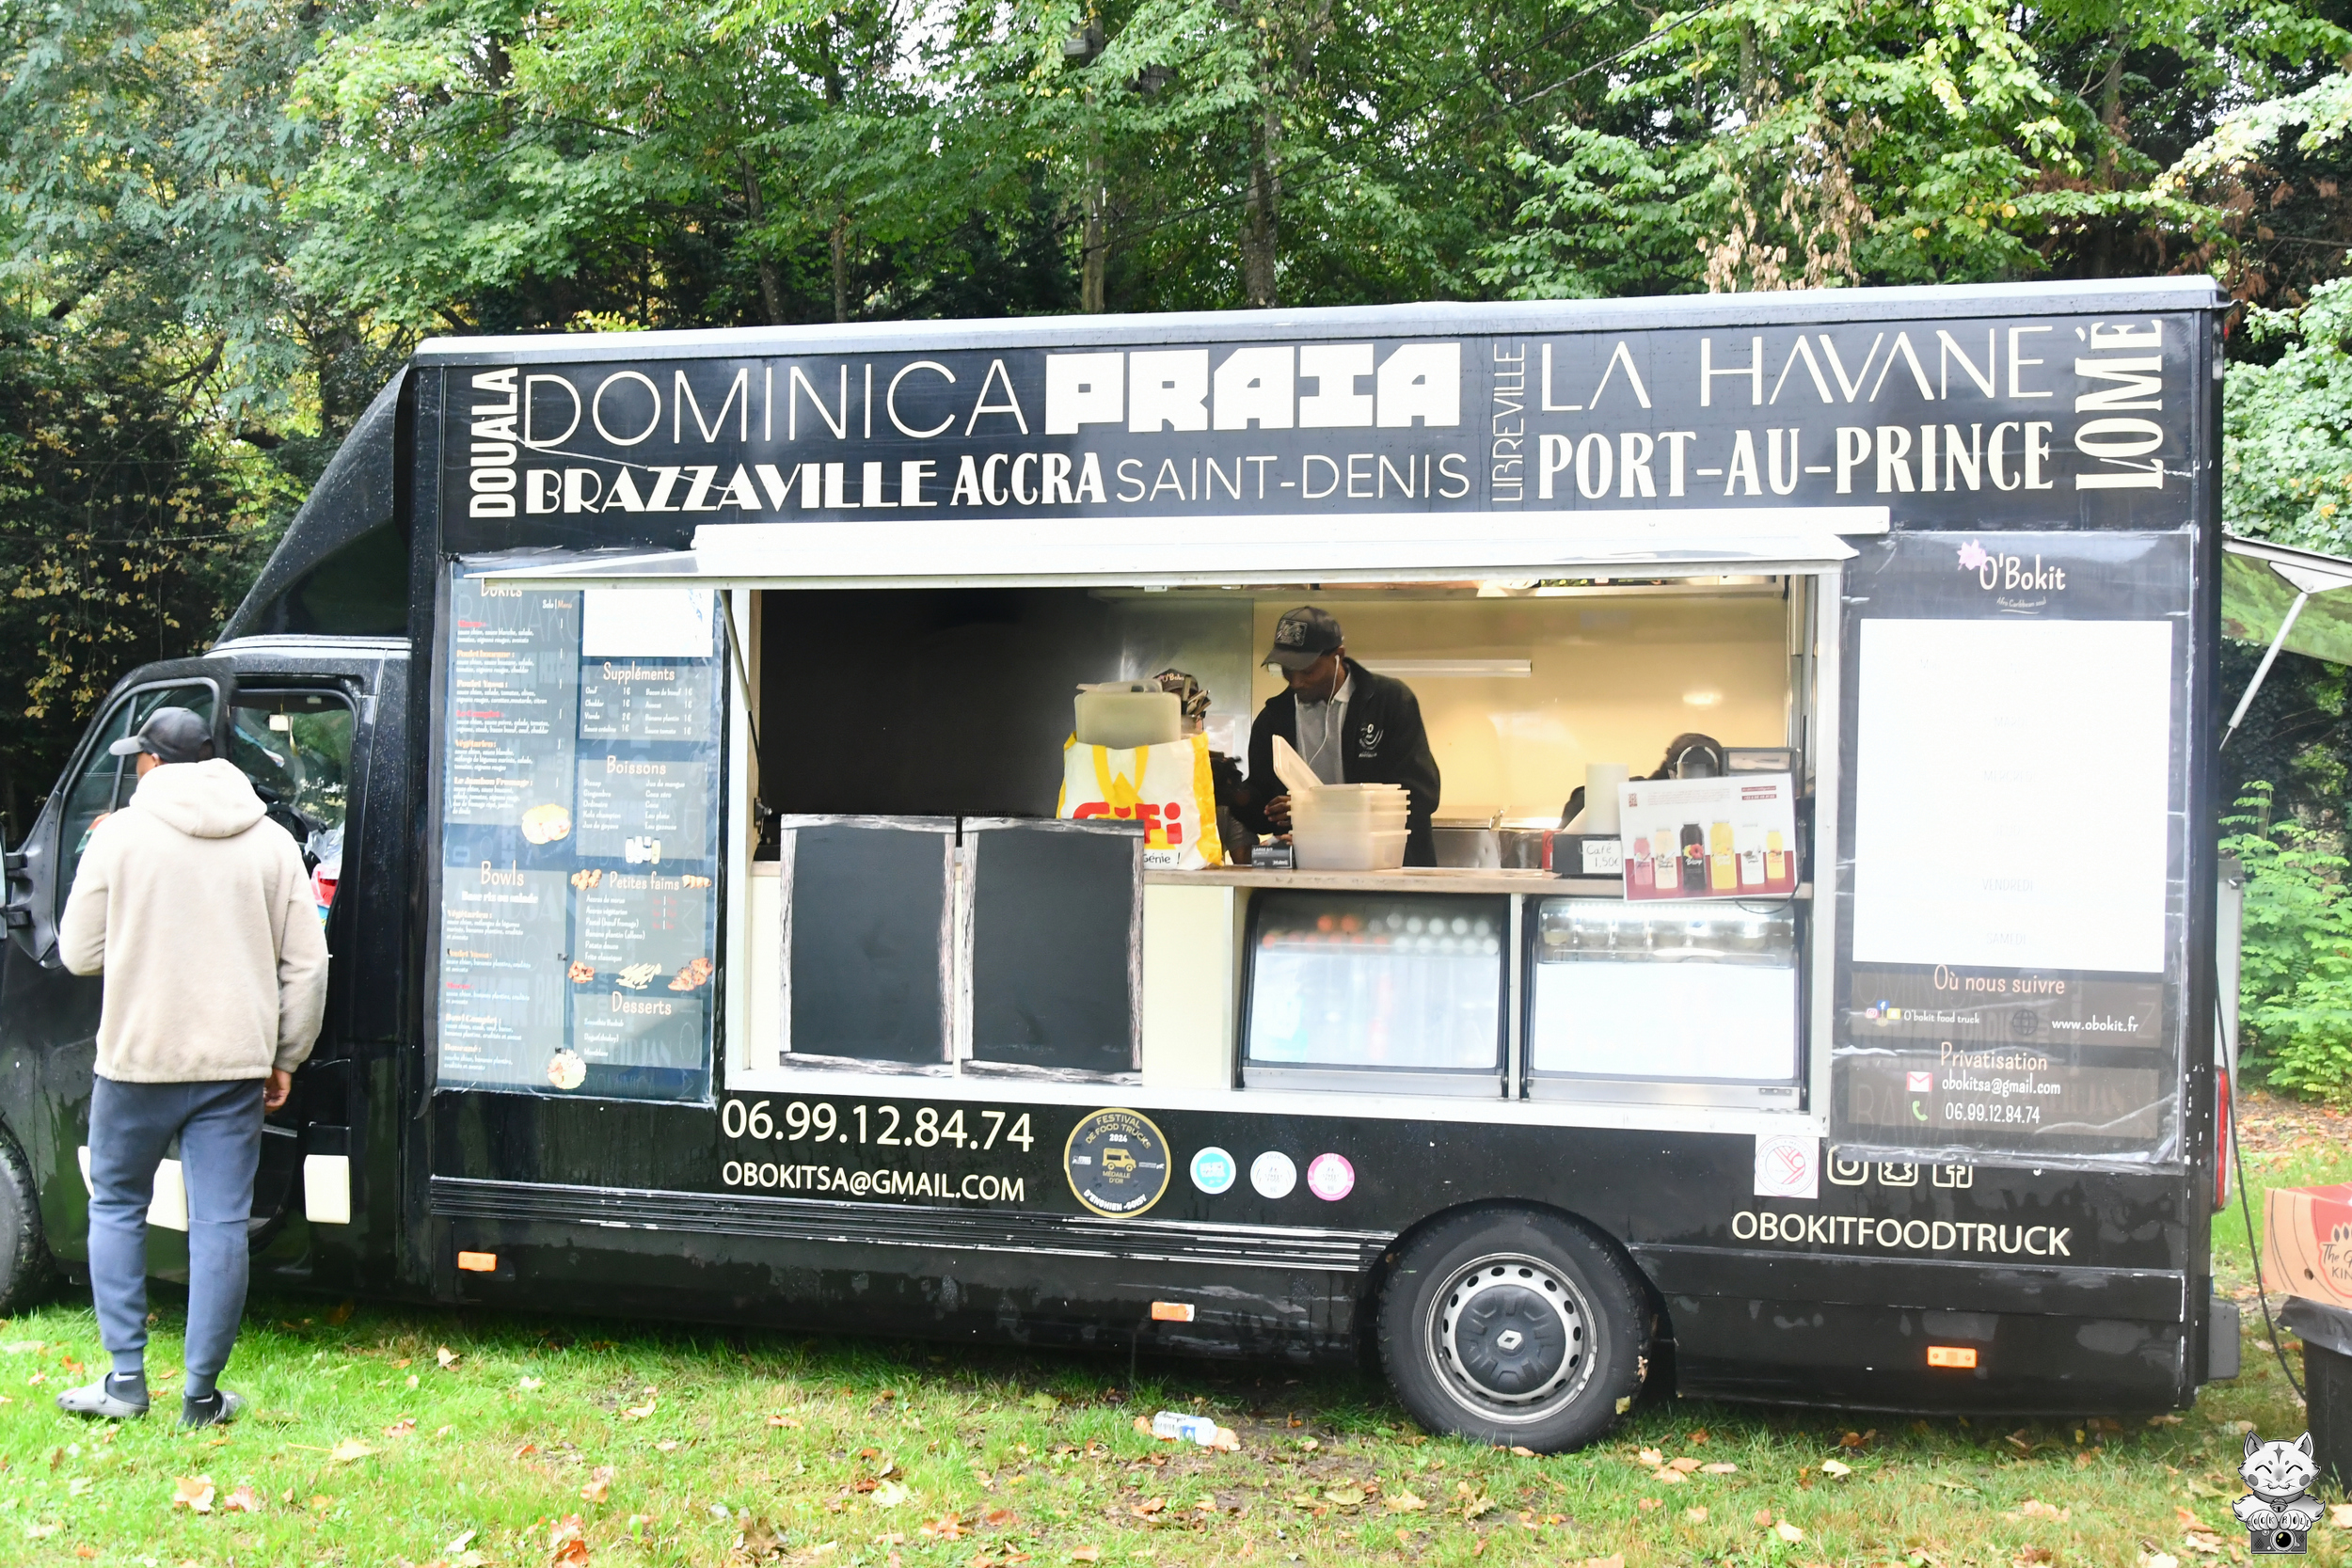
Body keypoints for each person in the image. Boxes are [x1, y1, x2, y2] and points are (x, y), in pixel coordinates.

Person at [54, 706, 330, 1427]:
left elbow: (79, 952)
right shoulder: (271, 841)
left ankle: (125, 1382)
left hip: (136, 1061)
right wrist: (286, 1055)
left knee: (116, 1205)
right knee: (219, 1224)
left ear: (152, 762)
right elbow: (308, 964)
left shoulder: (118, 837)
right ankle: (202, 1395)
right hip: (233, 1066)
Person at [1237, 606, 1442, 866]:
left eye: (1308, 670)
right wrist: (1235, 795)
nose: (1296, 682)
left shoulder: (1389, 702)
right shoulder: (1274, 719)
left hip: (1387, 868)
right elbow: (1263, 815)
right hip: (1312, 869)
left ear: (1338, 656)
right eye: (1286, 670)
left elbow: (1421, 795)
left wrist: (1314, 810)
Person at [1152, 669, 1250, 865]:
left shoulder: (1220, 776)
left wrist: (1280, 849)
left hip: (1204, 883)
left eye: (1193, 711)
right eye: (1172, 710)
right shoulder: (1132, 770)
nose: (1184, 720)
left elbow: (1244, 857)